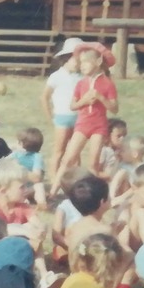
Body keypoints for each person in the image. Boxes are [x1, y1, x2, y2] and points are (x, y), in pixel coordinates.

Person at [53, 43, 118, 192]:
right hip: (82, 124)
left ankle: (94, 193)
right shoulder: (81, 83)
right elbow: (73, 106)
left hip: (99, 126)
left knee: (93, 164)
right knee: (68, 159)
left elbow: (114, 108)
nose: (81, 66)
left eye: (85, 62)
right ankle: (53, 191)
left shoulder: (108, 84)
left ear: (99, 61)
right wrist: (85, 101)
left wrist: (101, 97)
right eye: (80, 62)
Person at [40, 38, 84, 183]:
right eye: (76, 59)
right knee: (59, 150)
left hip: (78, 118)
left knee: (75, 150)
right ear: (66, 58)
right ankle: (54, 176)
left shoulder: (81, 77)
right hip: (62, 117)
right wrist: (50, 117)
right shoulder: (57, 76)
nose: (78, 62)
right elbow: (45, 97)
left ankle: (76, 177)